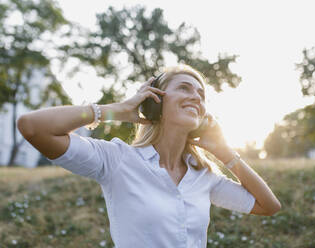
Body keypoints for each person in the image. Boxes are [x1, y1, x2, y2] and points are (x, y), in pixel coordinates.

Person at [17, 64, 281, 248]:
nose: (196, 98)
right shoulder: (117, 160)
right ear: (156, 101)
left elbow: (269, 206)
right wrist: (116, 110)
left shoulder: (204, 176)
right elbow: (33, 127)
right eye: (185, 88)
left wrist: (225, 153)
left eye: (201, 94)